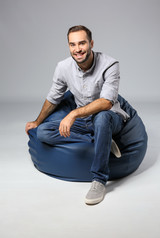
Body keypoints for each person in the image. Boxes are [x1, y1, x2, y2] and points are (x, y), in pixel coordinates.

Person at [25, 25, 130, 205]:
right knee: (43, 132)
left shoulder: (110, 64)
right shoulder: (63, 67)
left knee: (102, 118)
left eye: (82, 43)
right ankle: (101, 139)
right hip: (84, 122)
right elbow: (53, 98)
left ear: (91, 43)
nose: (78, 49)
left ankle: (99, 180)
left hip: (110, 116)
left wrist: (73, 113)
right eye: (73, 45)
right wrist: (37, 121)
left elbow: (106, 102)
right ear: (69, 46)